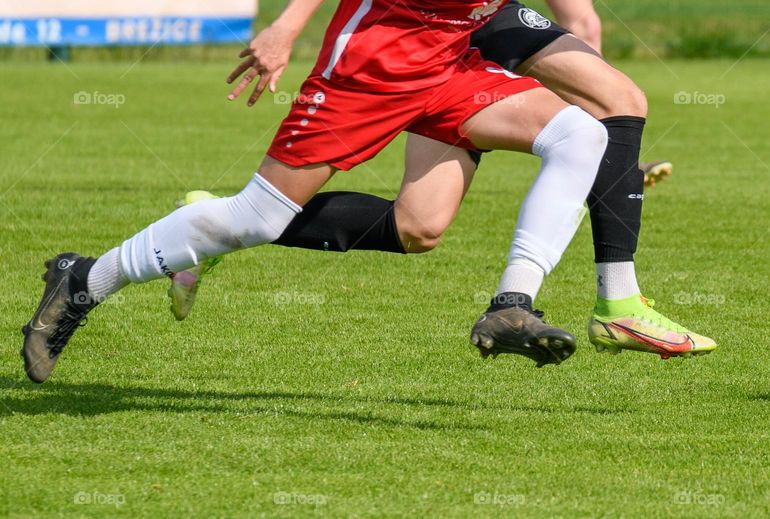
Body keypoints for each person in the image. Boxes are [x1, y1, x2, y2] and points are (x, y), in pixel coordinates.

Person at [21, 0, 613, 383]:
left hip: (449, 65)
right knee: (257, 217)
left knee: (567, 143)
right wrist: (285, 26)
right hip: (371, 64)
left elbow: (580, 19)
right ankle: (84, 279)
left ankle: (510, 308)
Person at [170, 1, 716, 363]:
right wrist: (286, 26)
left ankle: (216, 221)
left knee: (418, 227)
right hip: (438, 31)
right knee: (621, 100)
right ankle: (618, 304)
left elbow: (583, 18)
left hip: (473, 25)